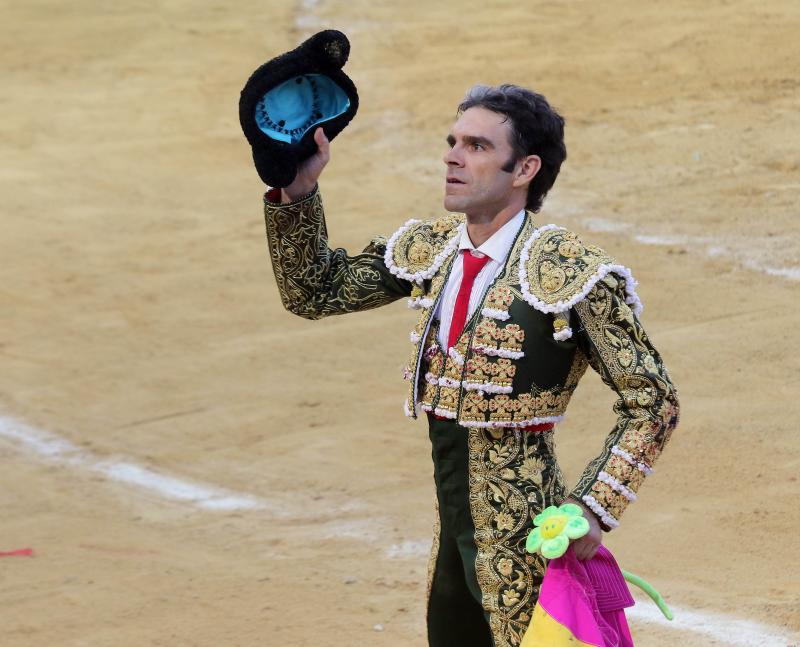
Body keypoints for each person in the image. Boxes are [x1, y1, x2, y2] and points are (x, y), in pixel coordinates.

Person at [262, 84, 679, 647]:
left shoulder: (569, 271)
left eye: (477, 146)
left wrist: (597, 505)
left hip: (529, 540)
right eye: (453, 142)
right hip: (454, 531)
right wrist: (299, 189)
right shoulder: (430, 250)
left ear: (525, 168)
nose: (452, 156)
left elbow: (654, 399)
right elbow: (313, 292)